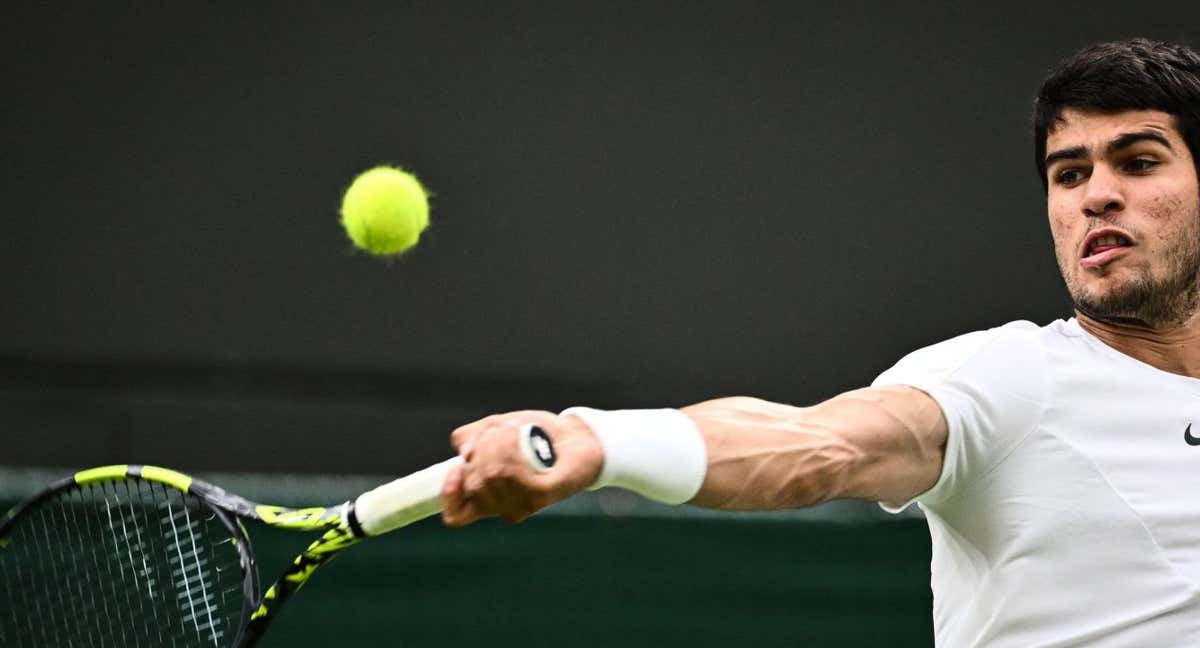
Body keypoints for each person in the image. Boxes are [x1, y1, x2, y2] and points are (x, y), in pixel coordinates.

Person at [438, 38, 1200, 646]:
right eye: (1068, 175)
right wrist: (597, 441)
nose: (1095, 194)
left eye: (1137, 163)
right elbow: (817, 443)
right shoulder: (1011, 379)